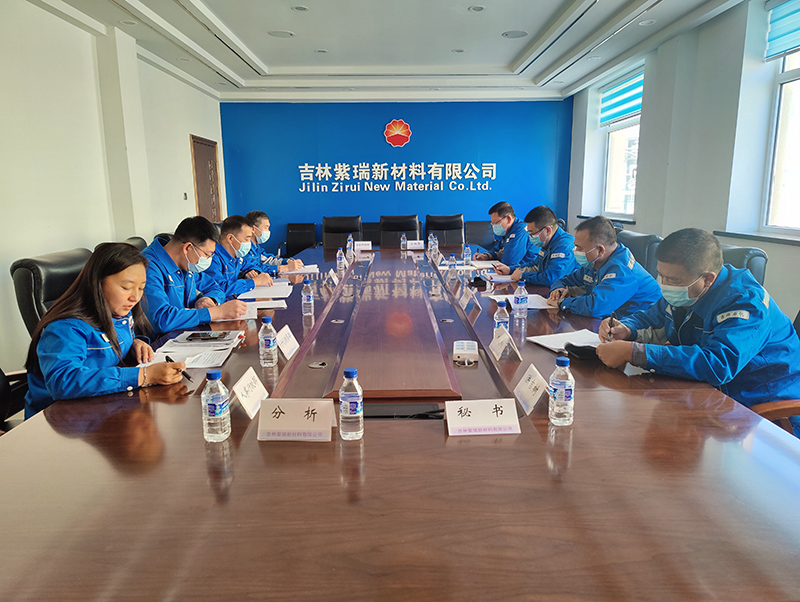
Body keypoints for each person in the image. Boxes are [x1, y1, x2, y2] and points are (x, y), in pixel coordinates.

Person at [597, 228, 800, 437]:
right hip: (710, 394)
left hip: (764, 412)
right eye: (661, 276)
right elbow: (651, 316)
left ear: (708, 278)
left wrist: (634, 352)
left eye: (672, 280)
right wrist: (626, 328)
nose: (664, 285)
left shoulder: (746, 303)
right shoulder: (689, 287)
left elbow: (718, 364)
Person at [24, 243, 186, 419]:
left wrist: (134, 343)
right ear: (98, 283)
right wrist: (143, 375)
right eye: (126, 287)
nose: (135, 297)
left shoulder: (118, 313)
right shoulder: (65, 328)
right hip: (59, 422)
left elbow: (110, 344)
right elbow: (63, 381)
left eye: (141, 288)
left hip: (101, 408)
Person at [142, 216, 247, 334]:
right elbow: (161, 319)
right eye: (207, 254)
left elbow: (215, 287)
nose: (208, 259)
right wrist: (217, 312)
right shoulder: (148, 267)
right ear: (188, 248)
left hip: (187, 333)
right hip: (161, 341)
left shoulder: (185, 264)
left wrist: (209, 299)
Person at [548, 216, 661, 317]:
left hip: (640, 326)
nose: (575, 251)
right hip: (613, 320)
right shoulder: (593, 263)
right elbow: (564, 279)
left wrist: (561, 303)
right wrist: (557, 291)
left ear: (600, 250)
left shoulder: (622, 271)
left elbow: (595, 307)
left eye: (579, 248)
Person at [493, 206, 578, 287]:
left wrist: (522, 276)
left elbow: (552, 278)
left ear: (548, 230)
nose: (530, 236)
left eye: (532, 233)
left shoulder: (564, 246)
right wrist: (510, 270)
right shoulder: (548, 242)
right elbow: (535, 265)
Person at [204, 215, 274, 300]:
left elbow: (252, 265)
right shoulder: (213, 258)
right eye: (247, 239)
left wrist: (252, 271)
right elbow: (219, 288)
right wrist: (254, 282)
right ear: (230, 238)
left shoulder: (236, 256)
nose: (249, 243)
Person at [473, 201, 538, 268]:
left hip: (525, 271)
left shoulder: (520, 230)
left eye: (496, 223)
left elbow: (509, 261)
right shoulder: (507, 230)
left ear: (508, 219)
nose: (494, 226)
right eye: (492, 223)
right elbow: (498, 249)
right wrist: (487, 256)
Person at [241, 210, 303, 278]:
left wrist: (287, 261)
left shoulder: (256, 247)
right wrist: (284, 268)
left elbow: (268, 260)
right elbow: (254, 268)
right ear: (253, 229)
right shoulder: (244, 248)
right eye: (266, 227)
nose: (268, 231)